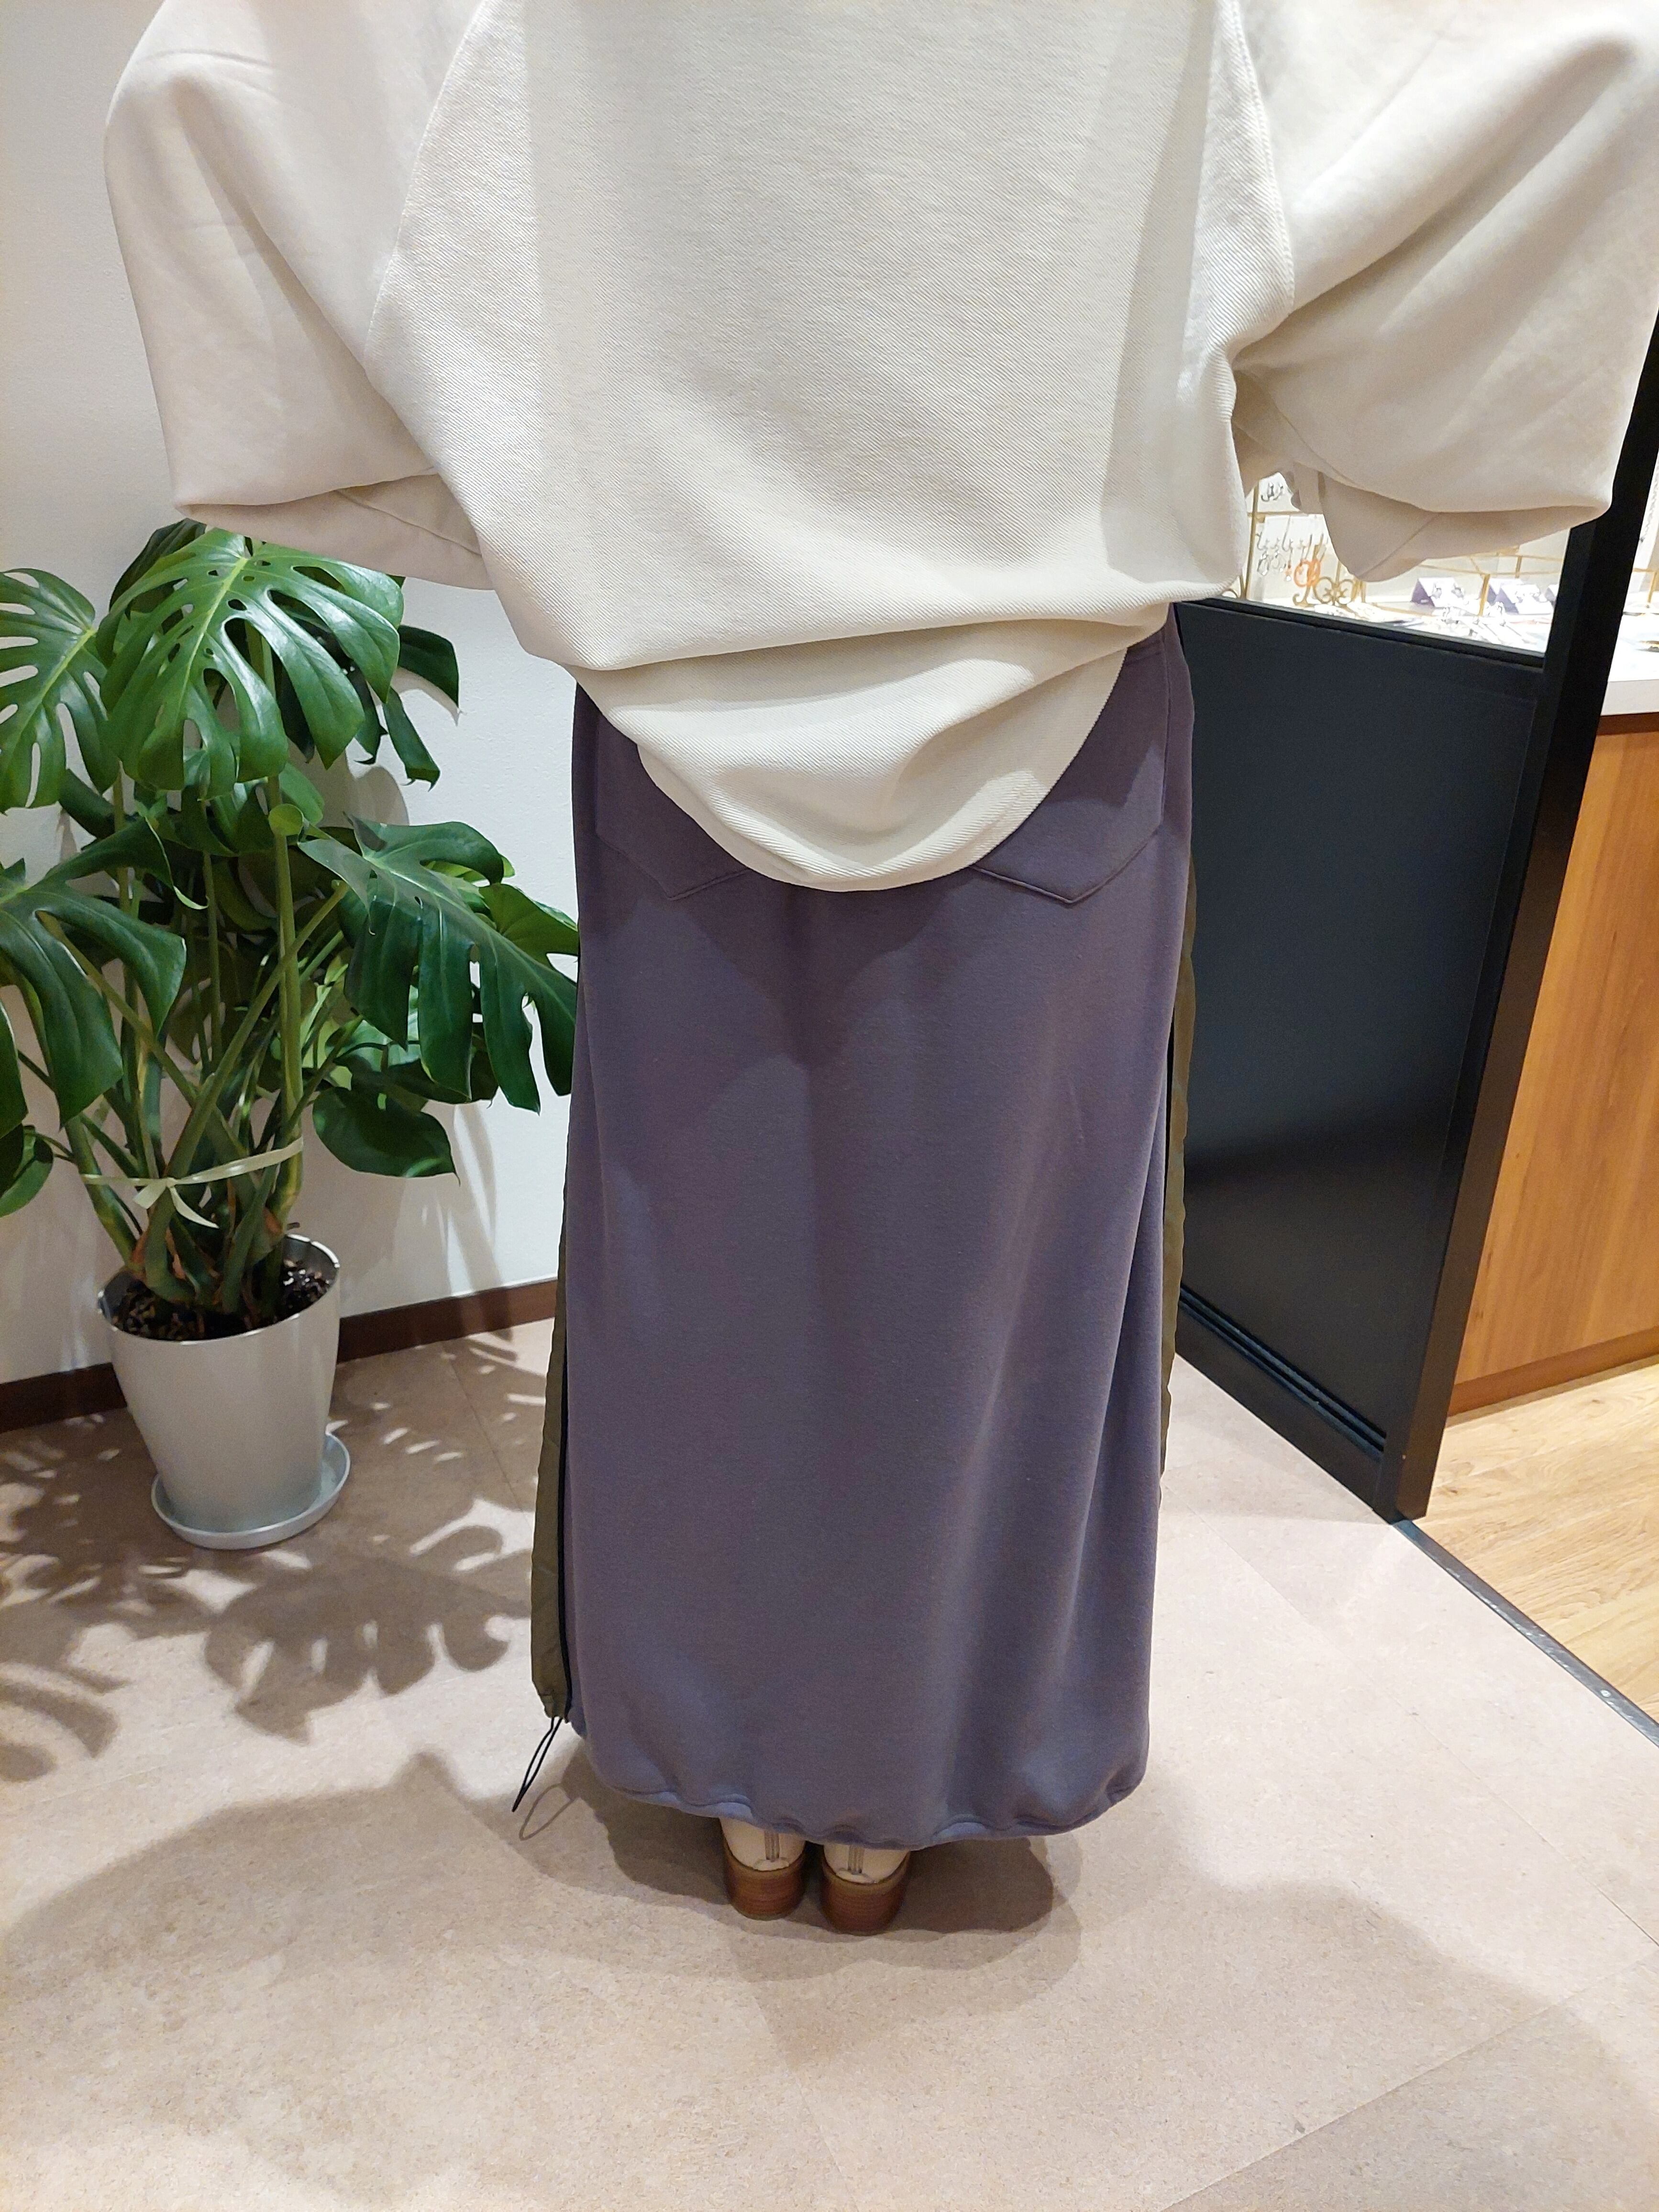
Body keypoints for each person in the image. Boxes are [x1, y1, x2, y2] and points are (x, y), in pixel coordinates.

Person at [108, 0, 1659, 1933]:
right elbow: (1585, 68)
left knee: (706, 1276)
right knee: (1002, 1292)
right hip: (1059, 703)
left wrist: (504, 458)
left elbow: (209, 87)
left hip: (686, 714)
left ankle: (740, 1793)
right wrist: (1259, 407)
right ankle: (903, 1798)